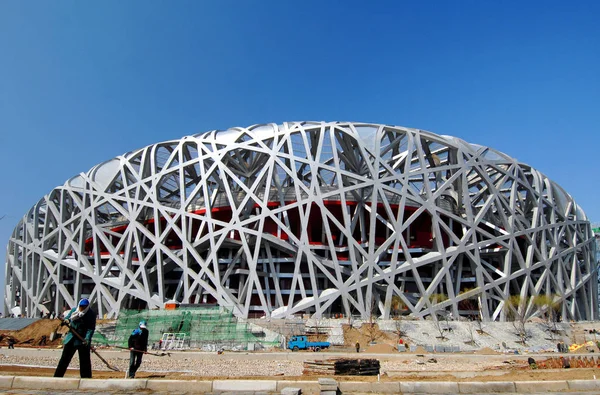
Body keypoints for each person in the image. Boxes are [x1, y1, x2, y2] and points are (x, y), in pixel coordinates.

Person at [53, 298, 96, 378]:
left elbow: (90, 329)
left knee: (85, 361)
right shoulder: (74, 311)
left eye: (84, 307)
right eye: (81, 306)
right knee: (64, 360)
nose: (81, 308)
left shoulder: (90, 314)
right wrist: (66, 321)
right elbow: (68, 318)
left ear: (87, 307)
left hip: (82, 340)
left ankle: (86, 379)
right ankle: (57, 377)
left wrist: (87, 339)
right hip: (71, 338)